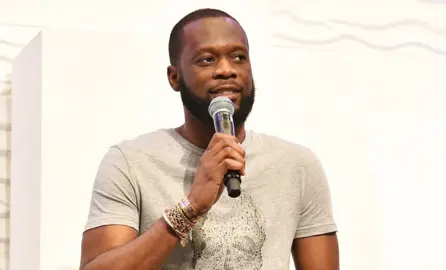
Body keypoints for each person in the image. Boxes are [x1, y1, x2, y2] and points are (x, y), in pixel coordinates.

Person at [79, 8, 339, 270]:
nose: (227, 70)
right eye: (206, 60)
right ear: (174, 77)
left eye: (239, 57)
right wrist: (190, 208)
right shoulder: (130, 163)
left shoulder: (297, 165)